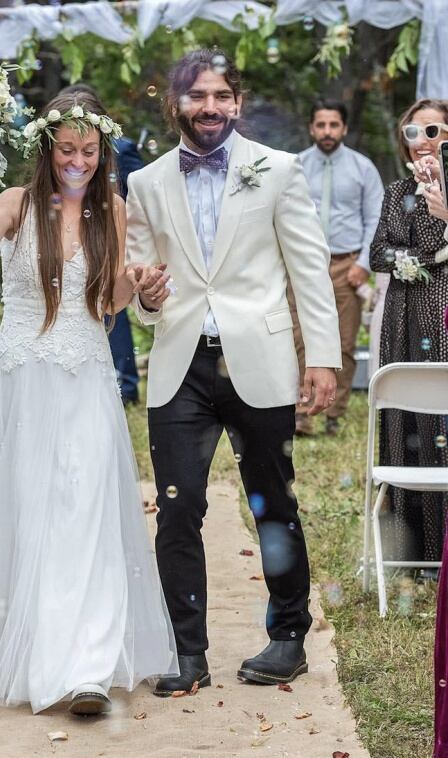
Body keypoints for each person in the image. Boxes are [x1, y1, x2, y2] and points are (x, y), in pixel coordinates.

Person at [0, 92, 178, 716]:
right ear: (46, 148)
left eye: (89, 151)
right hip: (23, 373)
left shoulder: (113, 208)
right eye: (66, 151)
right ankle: (25, 645)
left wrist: (139, 287)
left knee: (82, 504)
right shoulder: (16, 203)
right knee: (28, 505)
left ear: (102, 151)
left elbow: (108, 303)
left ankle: (84, 666)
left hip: (84, 369)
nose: (78, 162)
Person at [126, 49, 341, 693]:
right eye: (198, 97)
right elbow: (140, 286)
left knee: (274, 503)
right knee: (178, 507)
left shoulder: (278, 171)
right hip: (180, 366)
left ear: (238, 103)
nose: (211, 107)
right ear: (175, 105)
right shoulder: (146, 183)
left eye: (222, 96)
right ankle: (187, 651)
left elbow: (309, 269)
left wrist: (323, 358)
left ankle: (287, 638)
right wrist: (147, 298)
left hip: (262, 360)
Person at [370, 98, 448, 567]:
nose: (424, 142)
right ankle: (413, 546)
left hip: (446, 315)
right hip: (404, 318)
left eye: (435, 131)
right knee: (408, 417)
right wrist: (432, 260)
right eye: (414, 132)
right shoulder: (396, 189)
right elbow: (380, 253)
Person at [295, 99, 384, 436]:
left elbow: (375, 218)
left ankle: (334, 413)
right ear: (311, 128)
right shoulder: (296, 166)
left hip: (347, 265)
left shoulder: (363, 169)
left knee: (344, 344)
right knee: (299, 339)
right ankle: (302, 412)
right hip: (304, 266)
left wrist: (363, 264)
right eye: (321, 125)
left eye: (334, 125)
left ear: (344, 128)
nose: (327, 131)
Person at [59, 82, 142, 404]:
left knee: (111, 314)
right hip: (65, 228)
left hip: (106, 231)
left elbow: (138, 193)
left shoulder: (123, 148)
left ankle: (125, 385)